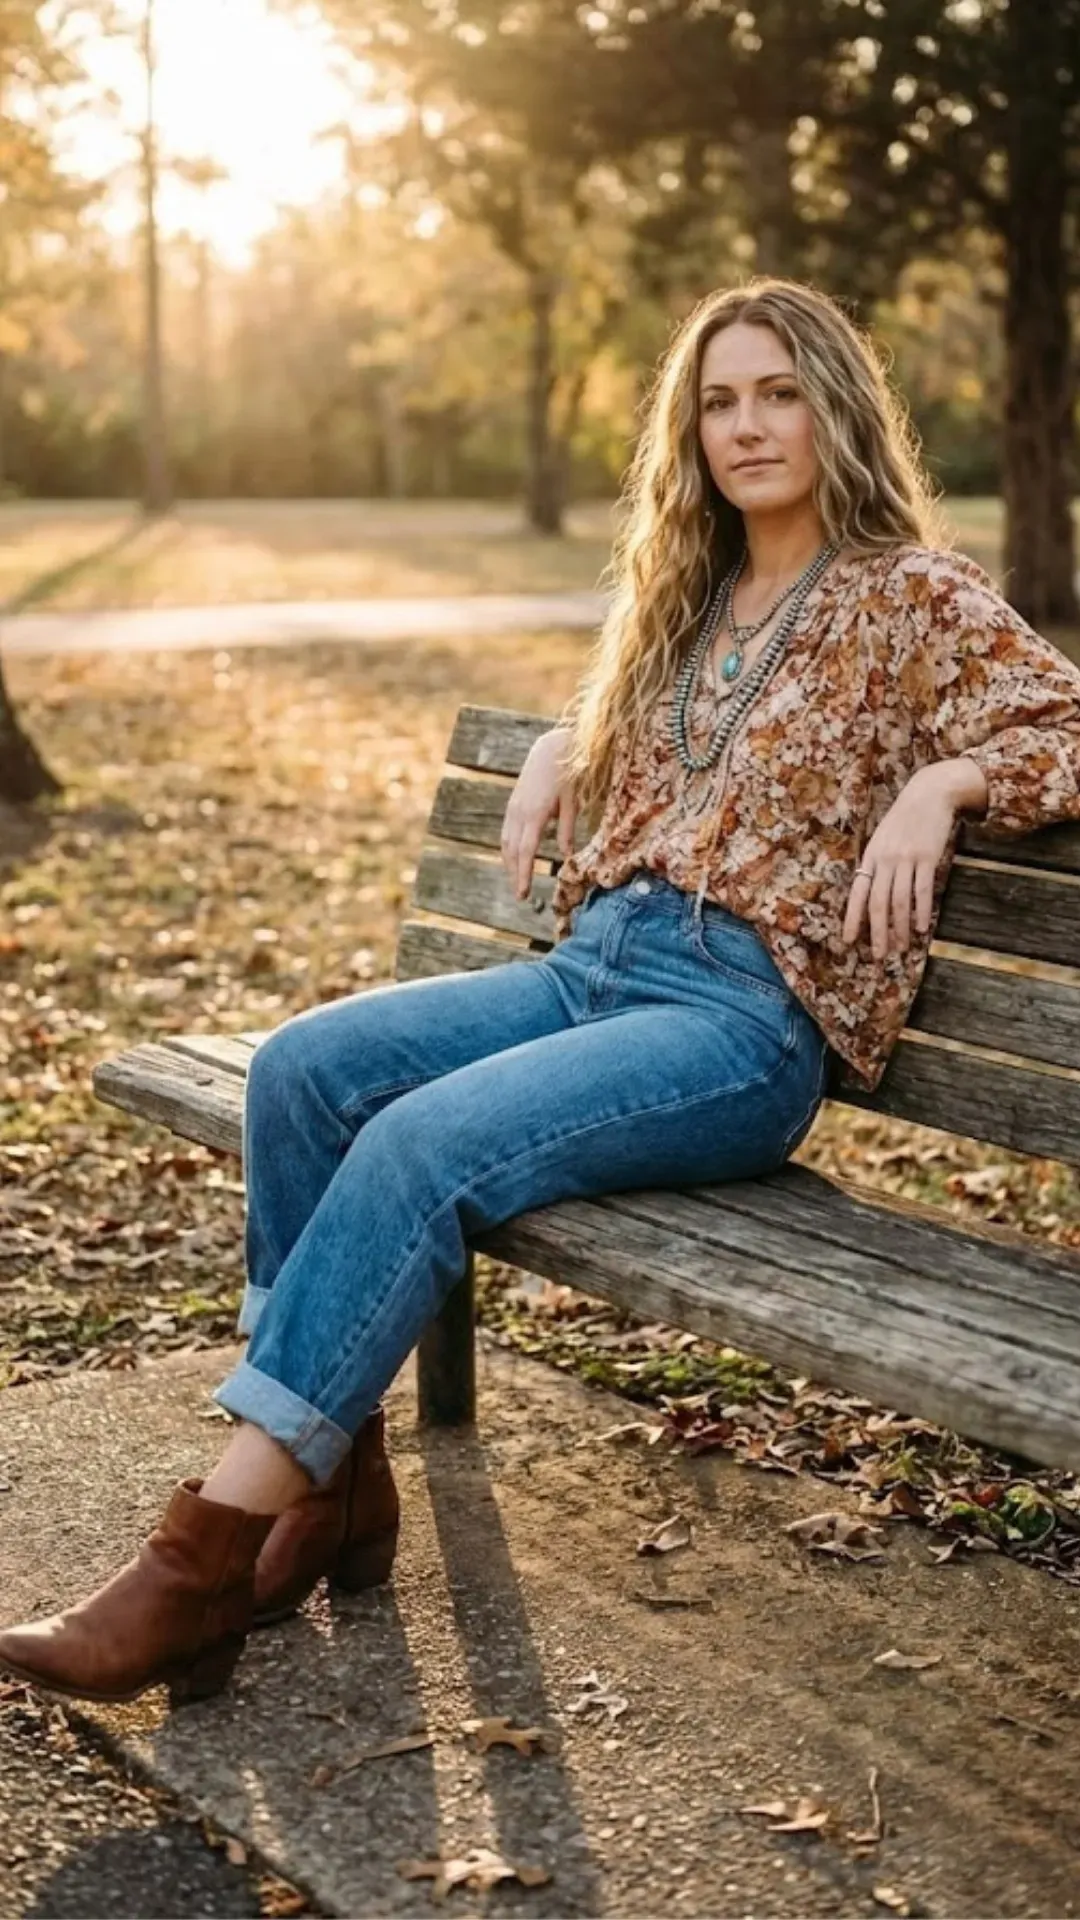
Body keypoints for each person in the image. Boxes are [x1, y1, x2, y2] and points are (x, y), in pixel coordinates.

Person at [3, 277, 1079, 1708]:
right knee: (302, 1074)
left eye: (778, 392)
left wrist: (943, 782)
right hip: (595, 970)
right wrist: (576, 730)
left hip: (737, 1025)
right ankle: (336, 1494)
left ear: (836, 404)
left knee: (419, 1146)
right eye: (717, 400)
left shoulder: (909, 595)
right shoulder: (691, 597)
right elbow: (673, 733)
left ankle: (199, 1559)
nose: (747, 426)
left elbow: (1063, 724)